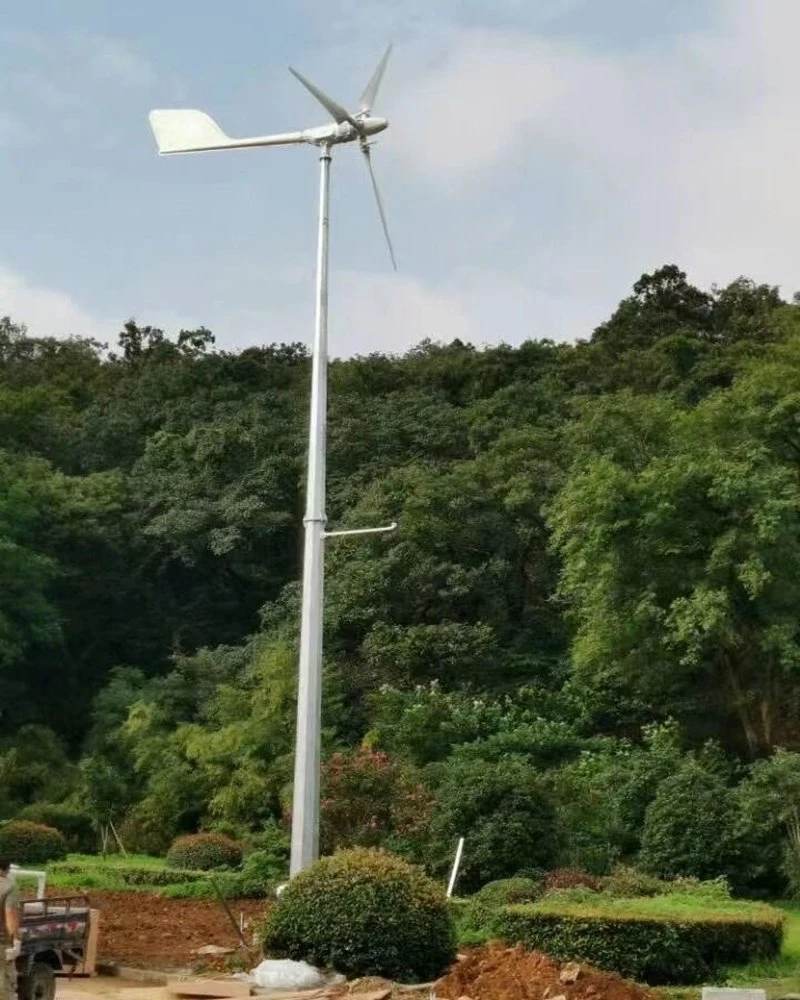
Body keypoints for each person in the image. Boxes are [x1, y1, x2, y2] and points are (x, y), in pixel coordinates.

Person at [0, 861, 20, 1000]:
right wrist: (16, 941)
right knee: (4, 986)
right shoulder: (9, 887)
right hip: (1, 943)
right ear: (5, 870)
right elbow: (10, 916)